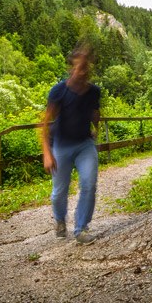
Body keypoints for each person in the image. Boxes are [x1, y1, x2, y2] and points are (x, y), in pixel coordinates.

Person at [40, 47, 101, 245]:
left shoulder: (94, 92)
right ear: (71, 69)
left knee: (89, 184)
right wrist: (47, 153)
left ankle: (81, 228)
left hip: (84, 145)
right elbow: (44, 124)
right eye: (79, 67)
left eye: (86, 67)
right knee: (59, 192)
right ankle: (59, 220)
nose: (83, 71)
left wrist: (95, 129)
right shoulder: (58, 91)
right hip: (61, 145)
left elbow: (95, 115)